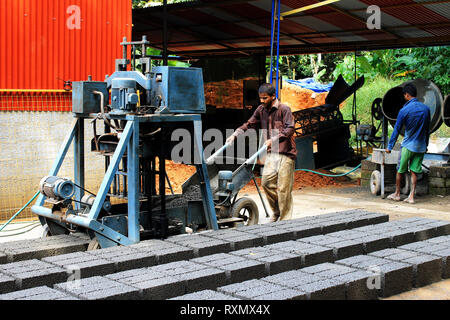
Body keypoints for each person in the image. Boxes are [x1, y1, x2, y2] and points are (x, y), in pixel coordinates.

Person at [226, 83, 297, 222]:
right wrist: (235, 134)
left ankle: (285, 220)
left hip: (286, 153)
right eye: (260, 98)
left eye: (265, 98)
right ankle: (276, 213)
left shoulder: (284, 109)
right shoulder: (261, 110)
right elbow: (249, 123)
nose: (262, 101)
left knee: (283, 189)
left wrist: (274, 139)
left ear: (273, 96)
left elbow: (290, 128)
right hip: (272, 153)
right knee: (266, 183)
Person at [385, 83, 431, 204]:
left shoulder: (404, 110)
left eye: (404, 95)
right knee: (414, 171)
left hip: (408, 145)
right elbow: (427, 130)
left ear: (407, 95)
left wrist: (390, 146)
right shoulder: (426, 109)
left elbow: (396, 129)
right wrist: (426, 145)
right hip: (420, 147)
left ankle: (397, 194)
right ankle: (411, 196)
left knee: (400, 170)